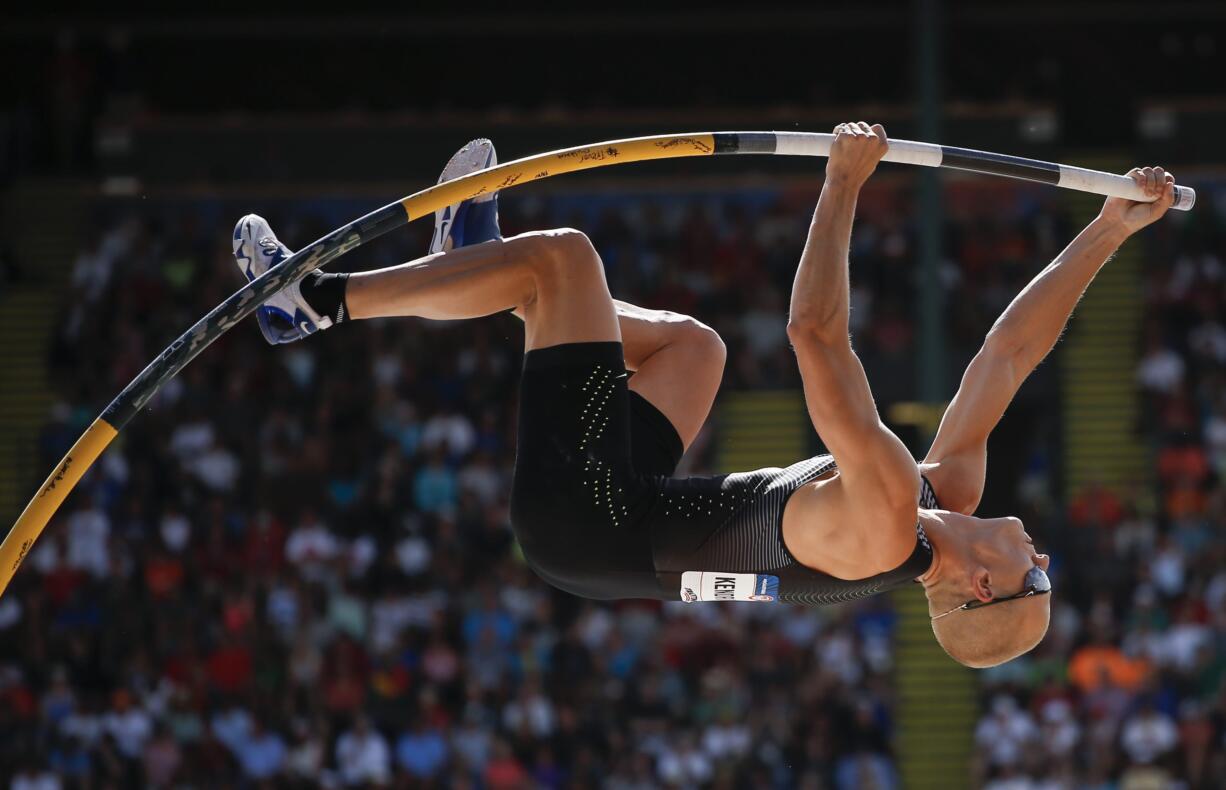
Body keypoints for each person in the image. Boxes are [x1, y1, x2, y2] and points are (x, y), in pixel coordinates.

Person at [232, 125, 1177, 668]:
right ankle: (467, 273)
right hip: (628, 519)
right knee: (693, 348)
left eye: (1036, 576)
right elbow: (1011, 352)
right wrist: (1108, 232)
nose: (1045, 552)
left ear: (979, 587)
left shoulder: (887, 518)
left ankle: (311, 303)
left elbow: (813, 336)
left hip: (589, 522)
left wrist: (841, 184)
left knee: (565, 259)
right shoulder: (947, 493)